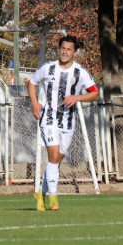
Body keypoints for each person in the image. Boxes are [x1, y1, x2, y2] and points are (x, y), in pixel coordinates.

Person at [28, 35, 99, 211]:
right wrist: (35, 103)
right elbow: (31, 82)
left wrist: (77, 97)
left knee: (57, 160)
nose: (65, 52)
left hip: (68, 122)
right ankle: (53, 198)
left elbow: (96, 93)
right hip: (49, 119)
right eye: (63, 48)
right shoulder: (48, 68)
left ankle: (40, 193)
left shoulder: (80, 72)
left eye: (69, 49)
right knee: (53, 157)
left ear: (75, 52)